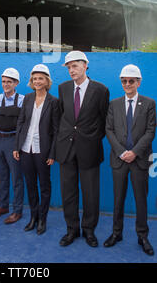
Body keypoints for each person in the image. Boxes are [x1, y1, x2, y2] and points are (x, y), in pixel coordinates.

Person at [55, 51, 109, 247]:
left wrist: (92, 139)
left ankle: (89, 230)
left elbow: (104, 121)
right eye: (68, 67)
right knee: (68, 192)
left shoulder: (101, 90)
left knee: (90, 193)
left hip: (90, 149)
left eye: (75, 66)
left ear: (85, 65)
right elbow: (62, 118)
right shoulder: (62, 88)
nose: (71, 70)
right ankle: (72, 229)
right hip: (66, 149)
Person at [104, 64, 156, 256]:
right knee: (118, 199)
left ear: (138, 82)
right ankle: (116, 233)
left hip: (140, 160)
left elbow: (150, 131)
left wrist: (134, 152)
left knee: (141, 200)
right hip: (119, 160)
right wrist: (121, 152)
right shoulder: (114, 104)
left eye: (131, 81)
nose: (127, 84)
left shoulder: (149, 103)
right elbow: (108, 129)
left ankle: (142, 236)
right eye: (124, 81)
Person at [13, 64, 59, 235]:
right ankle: (33, 217)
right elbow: (21, 123)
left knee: (45, 186)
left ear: (47, 81)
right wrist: (17, 146)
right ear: (31, 81)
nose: (37, 81)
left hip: (43, 151)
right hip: (26, 149)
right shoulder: (27, 98)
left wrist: (53, 153)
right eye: (35, 79)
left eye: (41, 78)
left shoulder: (54, 102)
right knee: (31, 185)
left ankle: (43, 219)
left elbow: (56, 130)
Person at [0, 68, 25, 224]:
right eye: (3, 81)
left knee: (16, 177)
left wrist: (18, 145)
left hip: (14, 140)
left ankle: (17, 211)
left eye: (9, 82)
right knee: (2, 176)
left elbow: (24, 123)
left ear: (16, 83)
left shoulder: (23, 99)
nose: (5, 84)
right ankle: (3, 205)